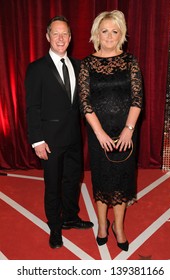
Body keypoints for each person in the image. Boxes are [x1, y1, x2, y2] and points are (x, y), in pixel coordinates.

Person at [25, 16, 93, 249]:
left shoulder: (79, 65)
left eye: (65, 34)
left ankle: (71, 218)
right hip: (50, 140)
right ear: (48, 37)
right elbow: (32, 107)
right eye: (56, 33)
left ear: (71, 38)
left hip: (74, 136)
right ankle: (55, 227)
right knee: (52, 185)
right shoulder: (36, 68)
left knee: (73, 180)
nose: (61, 38)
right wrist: (37, 141)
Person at [78, 10, 143, 251]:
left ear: (121, 35)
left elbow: (137, 99)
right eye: (104, 31)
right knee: (102, 179)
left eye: (114, 31)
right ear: (97, 33)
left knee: (122, 181)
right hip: (99, 134)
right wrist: (99, 133)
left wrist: (128, 129)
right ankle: (103, 225)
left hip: (126, 132)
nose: (109, 36)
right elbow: (84, 102)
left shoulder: (130, 61)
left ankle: (119, 226)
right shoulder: (87, 64)